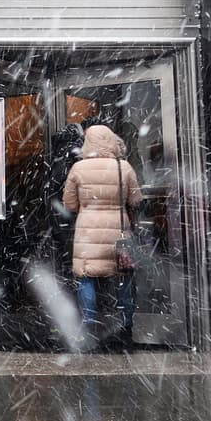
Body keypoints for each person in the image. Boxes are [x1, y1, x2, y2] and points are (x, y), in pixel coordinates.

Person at [62, 124, 142, 350]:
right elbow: (135, 199)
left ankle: (89, 325)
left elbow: (69, 203)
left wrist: (89, 207)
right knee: (124, 276)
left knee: (86, 276)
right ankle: (126, 324)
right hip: (118, 229)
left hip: (88, 232)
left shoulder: (78, 168)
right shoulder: (123, 167)